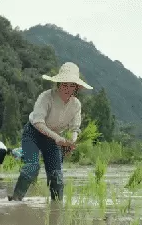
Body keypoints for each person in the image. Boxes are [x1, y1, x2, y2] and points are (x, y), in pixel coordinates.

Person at [8, 62, 92, 201]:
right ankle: (15, 200)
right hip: (33, 134)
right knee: (32, 166)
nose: (68, 88)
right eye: (64, 84)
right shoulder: (46, 97)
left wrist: (72, 142)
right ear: (58, 84)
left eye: (72, 85)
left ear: (76, 88)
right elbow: (38, 122)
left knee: (56, 176)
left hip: (53, 139)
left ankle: (57, 207)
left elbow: (74, 128)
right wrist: (56, 137)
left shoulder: (76, 104)